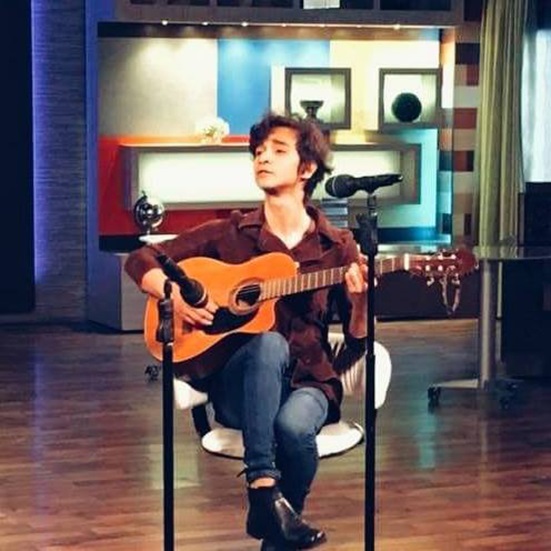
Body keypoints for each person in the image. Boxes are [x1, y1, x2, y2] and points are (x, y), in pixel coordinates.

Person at [125, 112, 368, 550]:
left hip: (309, 382)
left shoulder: (338, 247)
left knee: (294, 428)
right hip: (240, 386)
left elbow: (355, 342)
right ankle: (264, 491)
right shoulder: (230, 234)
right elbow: (141, 259)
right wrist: (174, 295)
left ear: (306, 168)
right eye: (258, 151)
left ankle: (272, 518)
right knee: (268, 343)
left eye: (277, 150)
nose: (262, 158)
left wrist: (361, 297)